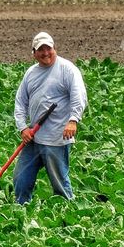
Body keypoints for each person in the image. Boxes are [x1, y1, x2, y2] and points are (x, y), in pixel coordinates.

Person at [13, 32, 87, 205]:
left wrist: (73, 120)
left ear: (55, 48)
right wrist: (23, 127)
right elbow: (20, 102)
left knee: (59, 182)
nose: (45, 53)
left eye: (49, 48)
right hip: (33, 137)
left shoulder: (67, 69)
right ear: (34, 53)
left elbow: (79, 96)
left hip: (56, 138)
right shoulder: (31, 73)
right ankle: (21, 209)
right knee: (20, 178)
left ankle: (68, 212)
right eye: (41, 50)